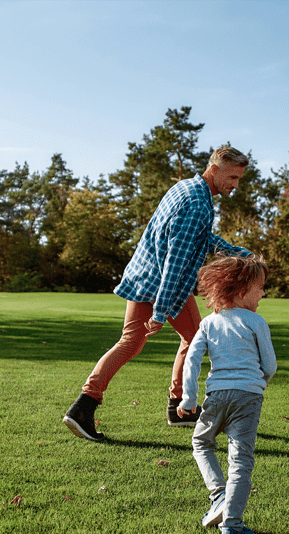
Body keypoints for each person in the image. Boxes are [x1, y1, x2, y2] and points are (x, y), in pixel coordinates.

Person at [62, 146, 253, 441]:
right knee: (191, 338)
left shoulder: (187, 188)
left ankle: (88, 405)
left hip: (144, 276)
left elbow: (201, 239)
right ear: (214, 169)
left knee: (135, 342)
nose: (235, 185)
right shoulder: (197, 204)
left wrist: (239, 253)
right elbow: (175, 262)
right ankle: (175, 407)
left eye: (239, 178)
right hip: (163, 285)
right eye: (232, 177)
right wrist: (160, 311)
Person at [176, 255, 275, 534]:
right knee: (241, 460)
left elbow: (192, 360)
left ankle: (218, 494)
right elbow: (269, 366)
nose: (263, 294)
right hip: (249, 397)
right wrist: (258, 385)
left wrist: (188, 399)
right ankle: (232, 525)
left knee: (201, 442)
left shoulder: (209, 323)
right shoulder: (256, 321)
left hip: (216, 394)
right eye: (260, 288)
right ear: (242, 292)